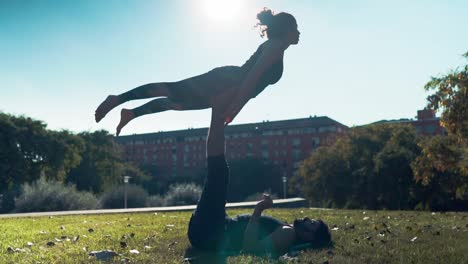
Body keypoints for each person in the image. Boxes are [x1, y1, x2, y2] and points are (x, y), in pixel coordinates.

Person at [94, 8, 301, 135]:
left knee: (177, 103)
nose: (299, 33)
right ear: (286, 30)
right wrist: (236, 106)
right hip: (226, 82)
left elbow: (255, 86)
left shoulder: (277, 48)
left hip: (230, 87)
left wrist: (237, 104)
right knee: (171, 90)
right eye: (296, 28)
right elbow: (252, 78)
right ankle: (118, 99)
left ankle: (131, 113)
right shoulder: (276, 47)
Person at [187, 105, 332, 257]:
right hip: (212, 230)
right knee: (218, 172)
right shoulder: (288, 231)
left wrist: (259, 209)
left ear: (310, 237)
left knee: (218, 172)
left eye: (312, 224)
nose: (307, 219)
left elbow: (251, 248)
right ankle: (217, 110)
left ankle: (218, 107)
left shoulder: (289, 234)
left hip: (209, 233)